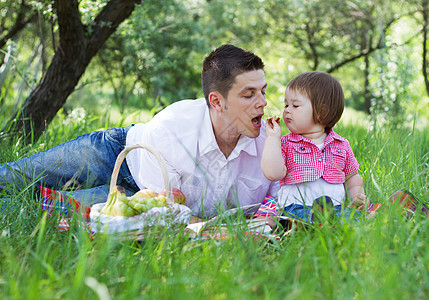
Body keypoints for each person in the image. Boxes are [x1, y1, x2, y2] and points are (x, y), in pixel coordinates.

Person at [0, 44, 279, 220]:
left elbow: (280, 205)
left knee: (38, 207)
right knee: (13, 178)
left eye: (263, 91)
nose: (263, 103)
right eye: (249, 94)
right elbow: (177, 215)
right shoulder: (174, 126)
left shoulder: (271, 149)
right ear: (217, 101)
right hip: (116, 153)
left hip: (140, 197)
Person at [261, 71, 368, 223]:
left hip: (335, 209)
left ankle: (381, 215)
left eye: (295, 105)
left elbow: (352, 176)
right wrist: (272, 138)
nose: (287, 110)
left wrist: (356, 194)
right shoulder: (285, 143)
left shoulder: (341, 145)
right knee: (294, 220)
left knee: (347, 215)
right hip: (294, 209)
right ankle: (318, 223)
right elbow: (273, 173)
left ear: (322, 112)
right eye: (286, 105)